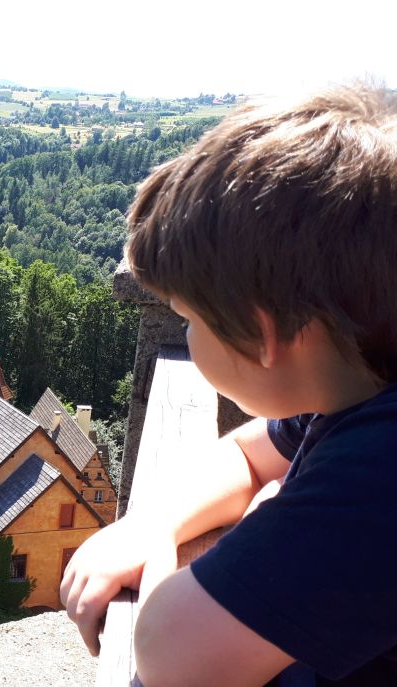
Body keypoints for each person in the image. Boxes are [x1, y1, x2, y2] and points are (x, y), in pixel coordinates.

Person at [59, 83, 397, 686]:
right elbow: (247, 456)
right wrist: (149, 526)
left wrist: (167, 558)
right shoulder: (359, 382)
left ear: (261, 336)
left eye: (190, 319)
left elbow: (169, 655)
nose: (186, 334)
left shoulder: (380, 473)